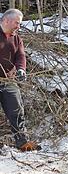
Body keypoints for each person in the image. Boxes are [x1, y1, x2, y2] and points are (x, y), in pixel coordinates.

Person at [0, 8, 38, 151]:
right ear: (6, 20)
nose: (18, 26)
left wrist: (21, 68)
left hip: (8, 80)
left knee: (16, 110)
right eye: (17, 23)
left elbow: (20, 56)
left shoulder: (16, 38)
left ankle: (22, 142)